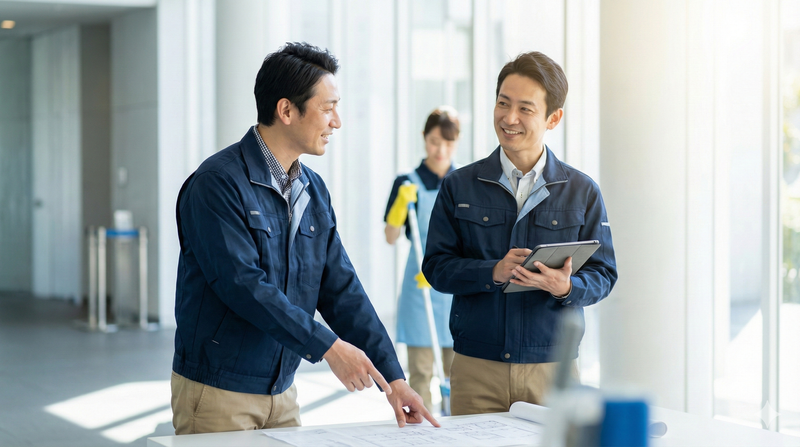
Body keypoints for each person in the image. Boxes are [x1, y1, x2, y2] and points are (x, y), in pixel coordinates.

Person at [171, 42, 438, 434]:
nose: (337, 122)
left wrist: (395, 380)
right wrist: (328, 347)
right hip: (218, 394)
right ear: (286, 111)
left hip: (283, 393)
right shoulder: (217, 185)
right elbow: (243, 286)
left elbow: (342, 289)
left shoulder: (312, 189)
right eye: (327, 108)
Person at [421, 51, 618, 416]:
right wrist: (491, 272)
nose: (509, 118)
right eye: (502, 103)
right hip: (476, 369)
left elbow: (604, 274)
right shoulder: (459, 186)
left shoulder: (582, 191)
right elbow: (436, 267)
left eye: (525, 109)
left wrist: (567, 287)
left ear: (553, 118)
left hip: (552, 373)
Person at [384, 107, 459, 412]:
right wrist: (401, 205)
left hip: (455, 286)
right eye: (434, 142)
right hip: (420, 286)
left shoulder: (465, 181)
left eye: (448, 144)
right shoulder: (407, 182)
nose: (440, 151)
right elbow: (390, 236)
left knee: (459, 375)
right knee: (421, 373)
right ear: (424, 139)